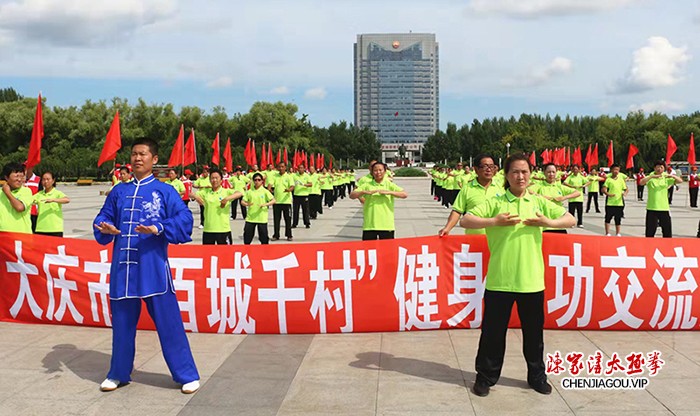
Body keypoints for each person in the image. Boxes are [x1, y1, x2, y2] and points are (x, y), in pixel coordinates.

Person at [459, 153, 575, 398]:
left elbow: (570, 218)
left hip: (531, 280)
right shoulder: (497, 201)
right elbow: (466, 219)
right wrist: (494, 221)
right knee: (492, 333)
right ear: (506, 175)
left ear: (531, 175)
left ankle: (537, 376)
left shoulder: (537, 202)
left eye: (524, 172)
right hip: (500, 279)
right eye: (515, 172)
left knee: (534, 334)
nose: (520, 176)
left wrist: (547, 222)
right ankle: (485, 377)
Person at [93, 138, 199, 394]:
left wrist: (159, 227)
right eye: (133, 154)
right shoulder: (119, 191)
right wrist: (104, 226)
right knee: (121, 324)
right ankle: (118, 372)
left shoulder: (164, 191)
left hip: (153, 268)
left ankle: (186, 374)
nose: (137, 158)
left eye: (142, 154)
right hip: (123, 269)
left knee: (168, 322)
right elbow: (103, 216)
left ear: (154, 159)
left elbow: (185, 218)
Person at [438, 154, 501, 236]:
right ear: (476, 169)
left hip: (498, 240)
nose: (489, 170)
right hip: (474, 239)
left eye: (491, 166)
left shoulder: (501, 188)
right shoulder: (467, 189)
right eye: (485, 166)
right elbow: (457, 211)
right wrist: (447, 228)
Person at [349, 162, 407, 240]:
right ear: (372, 172)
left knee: (387, 251)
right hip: (369, 225)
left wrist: (389, 192)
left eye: (380, 170)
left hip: (386, 225)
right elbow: (352, 195)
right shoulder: (367, 185)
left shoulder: (389, 185)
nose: (378, 172)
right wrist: (363, 192)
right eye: (375, 170)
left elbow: (404, 194)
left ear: (385, 171)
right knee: (369, 250)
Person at [190, 168, 243, 245]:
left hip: (223, 230)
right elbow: (191, 194)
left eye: (216, 178)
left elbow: (240, 193)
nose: (214, 180)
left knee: (225, 255)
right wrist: (196, 197)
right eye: (212, 178)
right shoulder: (205, 192)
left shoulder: (226, 191)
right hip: (208, 230)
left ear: (221, 180)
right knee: (208, 255)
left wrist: (227, 199)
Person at [530, 163, 580, 233]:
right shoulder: (539, 186)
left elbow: (577, 193)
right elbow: (527, 191)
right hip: (544, 226)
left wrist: (563, 197)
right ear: (544, 173)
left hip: (559, 225)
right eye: (549, 172)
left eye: (553, 172)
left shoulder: (559, 187)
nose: (551, 174)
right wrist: (542, 197)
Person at [639, 160, 683, 238]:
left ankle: (667, 247)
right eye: (657, 167)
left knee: (667, 231)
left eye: (661, 167)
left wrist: (672, 176)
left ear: (664, 168)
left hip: (664, 208)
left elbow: (680, 181)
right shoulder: (650, 177)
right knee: (650, 231)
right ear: (654, 168)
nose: (659, 169)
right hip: (652, 207)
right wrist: (652, 177)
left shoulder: (665, 177)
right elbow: (641, 182)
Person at [33, 171, 70, 237]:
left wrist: (53, 200)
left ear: (53, 181)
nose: (46, 181)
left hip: (55, 229)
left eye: (48, 179)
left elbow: (67, 200)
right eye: (44, 179)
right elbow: (29, 201)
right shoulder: (39, 194)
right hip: (41, 228)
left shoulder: (57, 193)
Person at [241, 172, 275, 244]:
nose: (257, 182)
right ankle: (246, 252)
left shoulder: (265, 191)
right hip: (251, 218)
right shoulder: (249, 192)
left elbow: (273, 200)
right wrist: (247, 204)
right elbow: (242, 202)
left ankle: (265, 253)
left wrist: (266, 204)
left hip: (261, 218)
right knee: (247, 237)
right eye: (255, 180)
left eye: (259, 180)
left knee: (264, 238)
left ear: (262, 181)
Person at [1, 162, 33, 234]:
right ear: (6, 177)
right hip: (4, 236)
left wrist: (8, 193)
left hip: (22, 237)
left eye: (21, 177)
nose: (19, 179)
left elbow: (19, 207)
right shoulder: (0, 193)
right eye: (16, 176)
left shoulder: (26, 191)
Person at [269, 162, 295, 241]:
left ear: (285, 168)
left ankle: (289, 235)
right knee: (276, 220)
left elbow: (292, 186)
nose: (281, 168)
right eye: (279, 167)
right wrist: (269, 189)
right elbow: (270, 184)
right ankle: (276, 235)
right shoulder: (275, 176)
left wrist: (289, 190)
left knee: (288, 219)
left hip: (286, 202)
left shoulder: (288, 176)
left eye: (282, 167)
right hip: (277, 202)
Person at [602, 164, 628, 236]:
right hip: (610, 203)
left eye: (618, 170)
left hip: (619, 203)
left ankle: (618, 233)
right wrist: (607, 193)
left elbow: (626, 188)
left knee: (618, 219)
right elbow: (603, 189)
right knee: (608, 218)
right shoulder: (608, 180)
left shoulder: (621, 180)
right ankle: (607, 232)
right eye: (615, 169)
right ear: (611, 170)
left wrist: (625, 193)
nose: (616, 171)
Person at [292, 164, 312, 229]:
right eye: (299, 168)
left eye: (302, 168)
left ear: (304, 169)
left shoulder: (307, 176)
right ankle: (294, 223)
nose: (300, 169)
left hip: (304, 195)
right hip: (296, 195)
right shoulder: (294, 175)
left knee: (305, 210)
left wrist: (303, 184)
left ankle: (307, 223)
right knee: (295, 210)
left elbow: (310, 184)